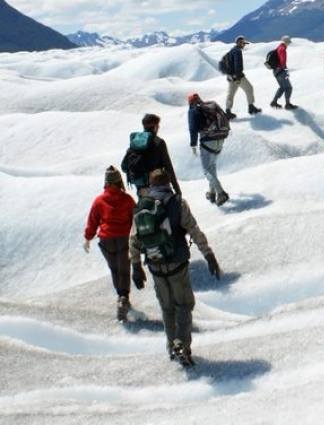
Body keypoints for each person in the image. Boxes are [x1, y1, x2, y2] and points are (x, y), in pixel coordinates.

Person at [130, 169, 221, 367]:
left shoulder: (142, 206)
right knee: (184, 306)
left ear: (151, 185)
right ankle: (182, 345)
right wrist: (209, 255)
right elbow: (194, 230)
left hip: (155, 265)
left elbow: (134, 239)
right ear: (168, 183)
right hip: (177, 263)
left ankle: (172, 347)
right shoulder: (178, 203)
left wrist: (136, 266)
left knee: (167, 307)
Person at [83, 166, 138, 321]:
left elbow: (92, 221)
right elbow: (135, 218)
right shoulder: (127, 199)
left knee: (114, 268)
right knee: (124, 268)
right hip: (123, 238)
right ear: (119, 181)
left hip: (106, 239)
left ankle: (120, 296)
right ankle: (124, 297)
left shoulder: (99, 200)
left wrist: (88, 238)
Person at [122, 113, 182, 197]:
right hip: (158, 189)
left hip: (141, 189)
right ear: (155, 126)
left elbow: (124, 166)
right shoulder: (158, 142)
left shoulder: (135, 143)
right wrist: (177, 190)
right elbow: (168, 167)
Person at [187, 93, 229, 206]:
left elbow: (192, 129)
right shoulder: (211, 106)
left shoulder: (193, 110)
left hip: (207, 142)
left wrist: (193, 145)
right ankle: (211, 193)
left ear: (190, 102)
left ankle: (221, 193)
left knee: (206, 170)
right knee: (212, 166)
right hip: (220, 139)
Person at [223, 36, 262, 119]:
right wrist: (238, 76)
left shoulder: (231, 51)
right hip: (237, 76)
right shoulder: (237, 51)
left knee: (231, 94)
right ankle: (251, 107)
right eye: (242, 42)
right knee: (249, 88)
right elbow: (237, 64)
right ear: (238, 43)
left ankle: (228, 111)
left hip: (230, 76)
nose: (244, 44)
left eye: (244, 43)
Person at [269, 35, 298, 110]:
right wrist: (285, 71)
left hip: (276, 71)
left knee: (282, 87)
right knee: (289, 88)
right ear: (285, 42)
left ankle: (274, 102)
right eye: (288, 43)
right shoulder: (282, 49)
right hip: (281, 71)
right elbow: (283, 61)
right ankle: (287, 104)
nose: (288, 44)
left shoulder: (279, 48)